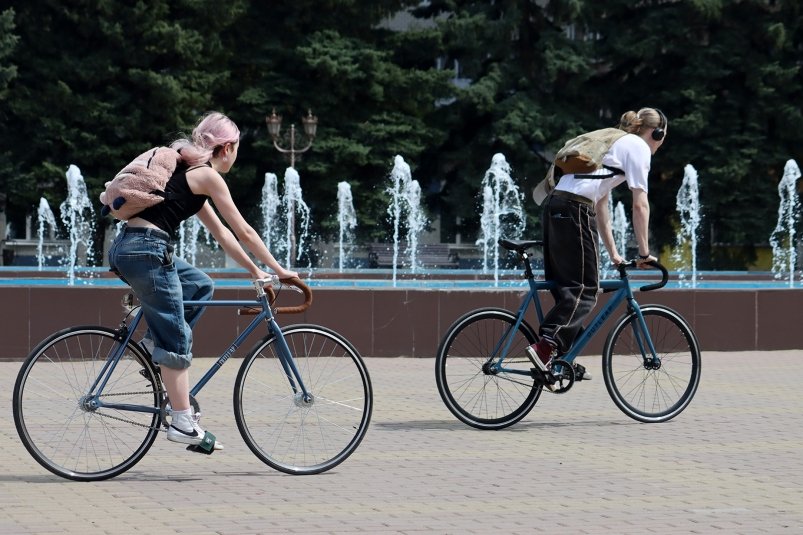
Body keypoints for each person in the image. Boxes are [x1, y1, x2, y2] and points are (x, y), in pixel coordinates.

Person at [109, 111, 298, 451]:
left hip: (126, 247)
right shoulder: (206, 176)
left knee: (199, 285)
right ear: (226, 148)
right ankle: (182, 422)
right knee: (178, 339)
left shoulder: (187, 176)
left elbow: (224, 235)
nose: (236, 156)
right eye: (237, 148)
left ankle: (154, 347)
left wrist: (256, 272)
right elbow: (244, 231)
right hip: (148, 250)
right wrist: (278, 268)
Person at [528, 107, 667, 385]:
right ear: (657, 133)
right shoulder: (638, 147)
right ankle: (544, 347)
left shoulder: (615, 142)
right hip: (573, 209)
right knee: (586, 289)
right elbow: (640, 205)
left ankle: (559, 358)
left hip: (557, 204)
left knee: (568, 288)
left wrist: (614, 254)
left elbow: (601, 206)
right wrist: (644, 253)